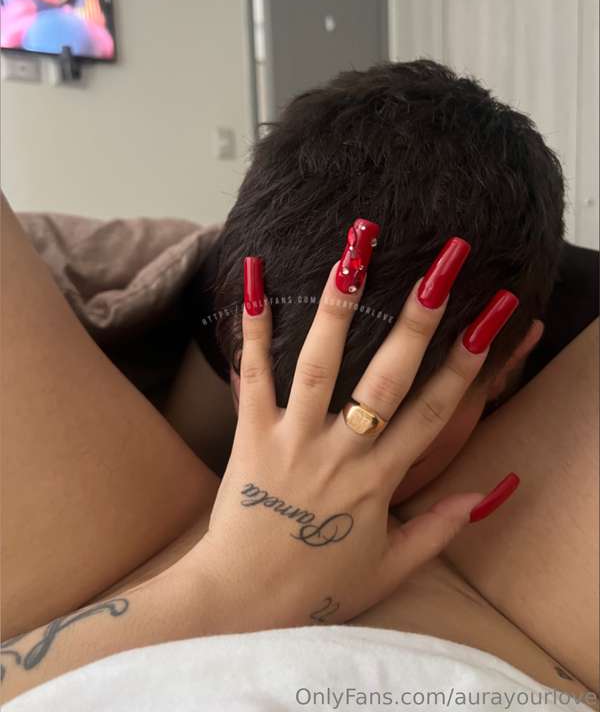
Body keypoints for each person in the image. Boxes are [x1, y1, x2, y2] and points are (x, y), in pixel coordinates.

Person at [1, 61, 598, 705]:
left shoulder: (572, 322)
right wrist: (222, 588)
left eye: (390, 435)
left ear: (506, 368)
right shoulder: (244, 303)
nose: (316, 468)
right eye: (263, 397)